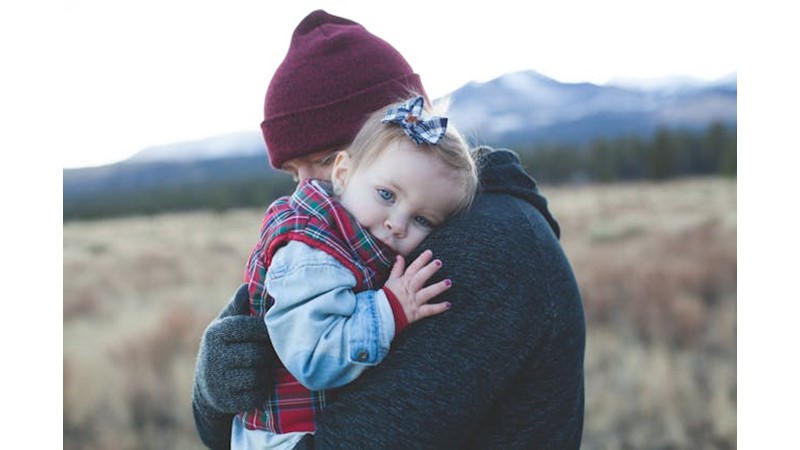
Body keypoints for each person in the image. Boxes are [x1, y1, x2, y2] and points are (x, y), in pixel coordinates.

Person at [192, 9, 586, 450]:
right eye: (292, 174)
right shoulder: (357, 239)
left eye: (324, 160)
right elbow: (227, 428)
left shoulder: (485, 248)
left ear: (400, 131)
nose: (306, 193)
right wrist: (214, 391)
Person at [234, 95, 478, 449]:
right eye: (386, 195)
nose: (397, 224)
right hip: (286, 439)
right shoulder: (311, 253)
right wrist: (390, 308)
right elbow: (314, 357)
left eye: (422, 219)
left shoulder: (356, 238)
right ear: (343, 174)